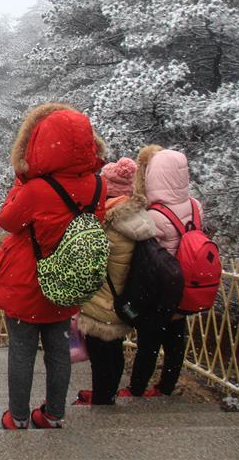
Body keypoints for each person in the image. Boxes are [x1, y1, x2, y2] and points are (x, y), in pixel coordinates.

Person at [0, 103, 107, 429]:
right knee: (58, 350)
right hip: (66, 280)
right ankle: (54, 414)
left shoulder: (36, 189)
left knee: (22, 351)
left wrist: (21, 182)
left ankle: (17, 416)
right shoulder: (99, 186)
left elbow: (7, 221)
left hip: (27, 281)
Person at [73, 158, 157, 406]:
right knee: (115, 351)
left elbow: (93, 263)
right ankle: (107, 393)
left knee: (100, 355)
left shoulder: (106, 221)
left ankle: (102, 400)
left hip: (102, 298)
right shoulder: (139, 218)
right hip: (125, 299)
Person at [121, 146, 201, 397]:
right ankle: (166, 387)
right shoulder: (195, 205)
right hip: (186, 284)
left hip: (161, 289)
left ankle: (136, 389)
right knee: (176, 340)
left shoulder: (155, 215)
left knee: (149, 342)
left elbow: (128, 230)